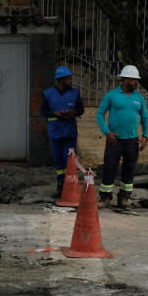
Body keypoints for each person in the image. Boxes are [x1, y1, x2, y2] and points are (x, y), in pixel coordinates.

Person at [95, 65, 148, 208]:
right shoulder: (112, 95)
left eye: (136, 80)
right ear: (125, 79)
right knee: (110, 167)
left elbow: (145, 118)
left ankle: (124, 198)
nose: (136, 83)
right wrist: (107, 132)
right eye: (133, 80)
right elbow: (100, 114)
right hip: (115, 140)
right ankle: (105, 198)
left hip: (132, 141)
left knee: (129, 169)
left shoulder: (139, 98)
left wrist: (145, 136)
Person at [40, 65, 85, 197]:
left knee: (70, 160)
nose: (71, 81)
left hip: (70, 132)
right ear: (60, 80)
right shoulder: (48, 94)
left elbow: (80, 110)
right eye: (68, 79)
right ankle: (61, 185)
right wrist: (54, 113)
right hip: (55, 132)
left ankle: (70, 186)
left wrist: (73, 113)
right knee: (58, 159)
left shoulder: (75, 93)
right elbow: (43, 111)